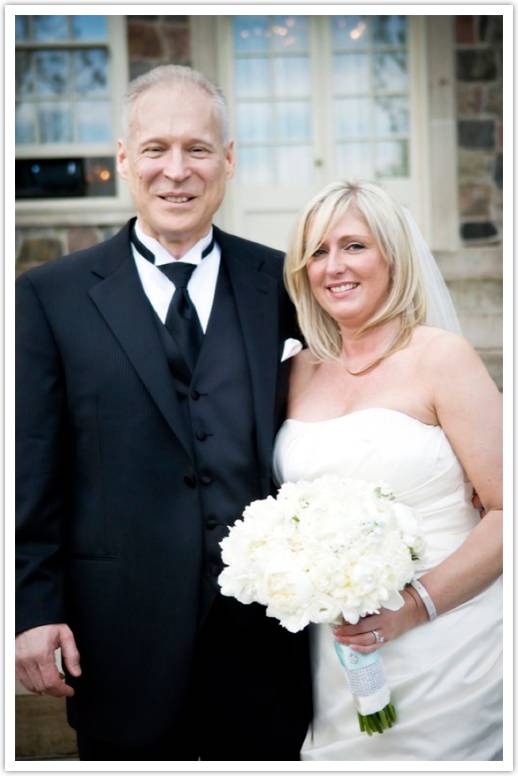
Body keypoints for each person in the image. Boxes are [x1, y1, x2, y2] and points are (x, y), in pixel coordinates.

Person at [15, 65, 311, 761]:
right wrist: (33, 611)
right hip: (117, 638)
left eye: (198, 149)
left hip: (266, 641)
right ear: (123, 158)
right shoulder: (48, 297)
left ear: (229, 161)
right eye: (155, 149)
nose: (176, 171)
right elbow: (31, 469)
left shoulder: (285, 281)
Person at [274, 180, 502, 760]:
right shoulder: (295, 371)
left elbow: (508, 510)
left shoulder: (440, 357)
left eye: (354, 246)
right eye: (317, 251)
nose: (333, 267)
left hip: (452, 649)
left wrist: (413, 606)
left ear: (393, 256)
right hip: (336, 656)